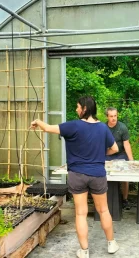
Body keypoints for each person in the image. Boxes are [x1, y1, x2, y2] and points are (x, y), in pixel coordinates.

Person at [30, 96, 119, 258]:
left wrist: (37, 121)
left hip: (77, 175)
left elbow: (48, 128)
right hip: (98, 174)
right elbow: (114, 148)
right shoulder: (103, 128)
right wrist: (101, 154)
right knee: (104, 209)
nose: (76, 109)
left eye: (78, 107)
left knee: (80, 213)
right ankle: (112, 244)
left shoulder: (73, 126)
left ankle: (84, 251)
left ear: (85, 108)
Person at [105, 107, 134, 209]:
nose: (114, 118)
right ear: (107, 117)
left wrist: (131, 161)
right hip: (107, 154)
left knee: (125, 177)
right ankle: (105, 200)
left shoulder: (122, 127)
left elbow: (127, 145)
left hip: (121, 154)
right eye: (111, 116)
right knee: (103, 175)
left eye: (115, 116)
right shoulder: (103, 128)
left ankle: (125, 199)